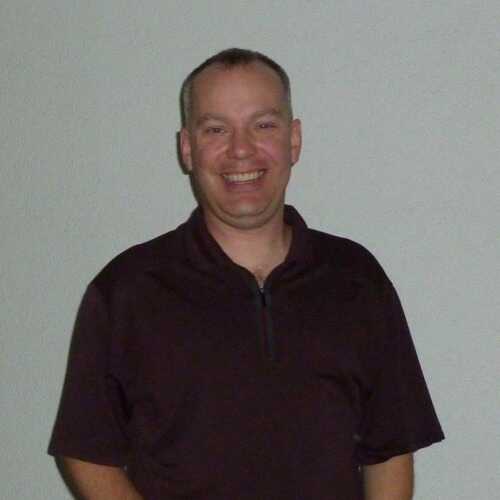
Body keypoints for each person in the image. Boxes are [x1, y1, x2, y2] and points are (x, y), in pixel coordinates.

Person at [49, 48, 444, 500]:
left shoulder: (357, 279)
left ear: (294, 140)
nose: (241, 150)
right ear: (187, 148)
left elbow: (390, 451)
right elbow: (87, 452)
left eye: (263, 125)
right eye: (216, 129)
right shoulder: (126, 290)